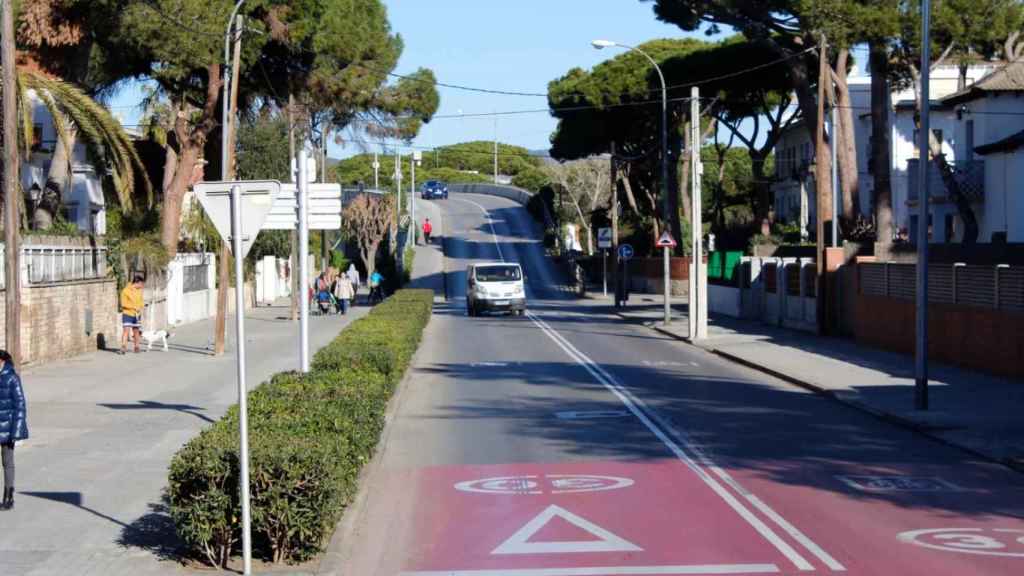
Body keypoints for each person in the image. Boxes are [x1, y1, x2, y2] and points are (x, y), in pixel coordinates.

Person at [0, 349, 28, 511]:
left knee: (7, 462)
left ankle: (8, 496)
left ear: (2, 361)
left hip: (7, 428)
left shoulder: (12, 378)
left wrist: (17, 431)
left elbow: (20, 405)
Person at [119, 275, 145, 355]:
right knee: (126, 330)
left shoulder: (139, 291)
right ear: (137, 282)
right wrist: (134, 307)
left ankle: (136, 347)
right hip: (127, 313)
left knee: (136, 331)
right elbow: (123, 303)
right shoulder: (125, 291)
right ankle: (123, 347)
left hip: (137, 314)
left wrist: (140, 307)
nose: (142, 286)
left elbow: (141, 301)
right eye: (141, 284)